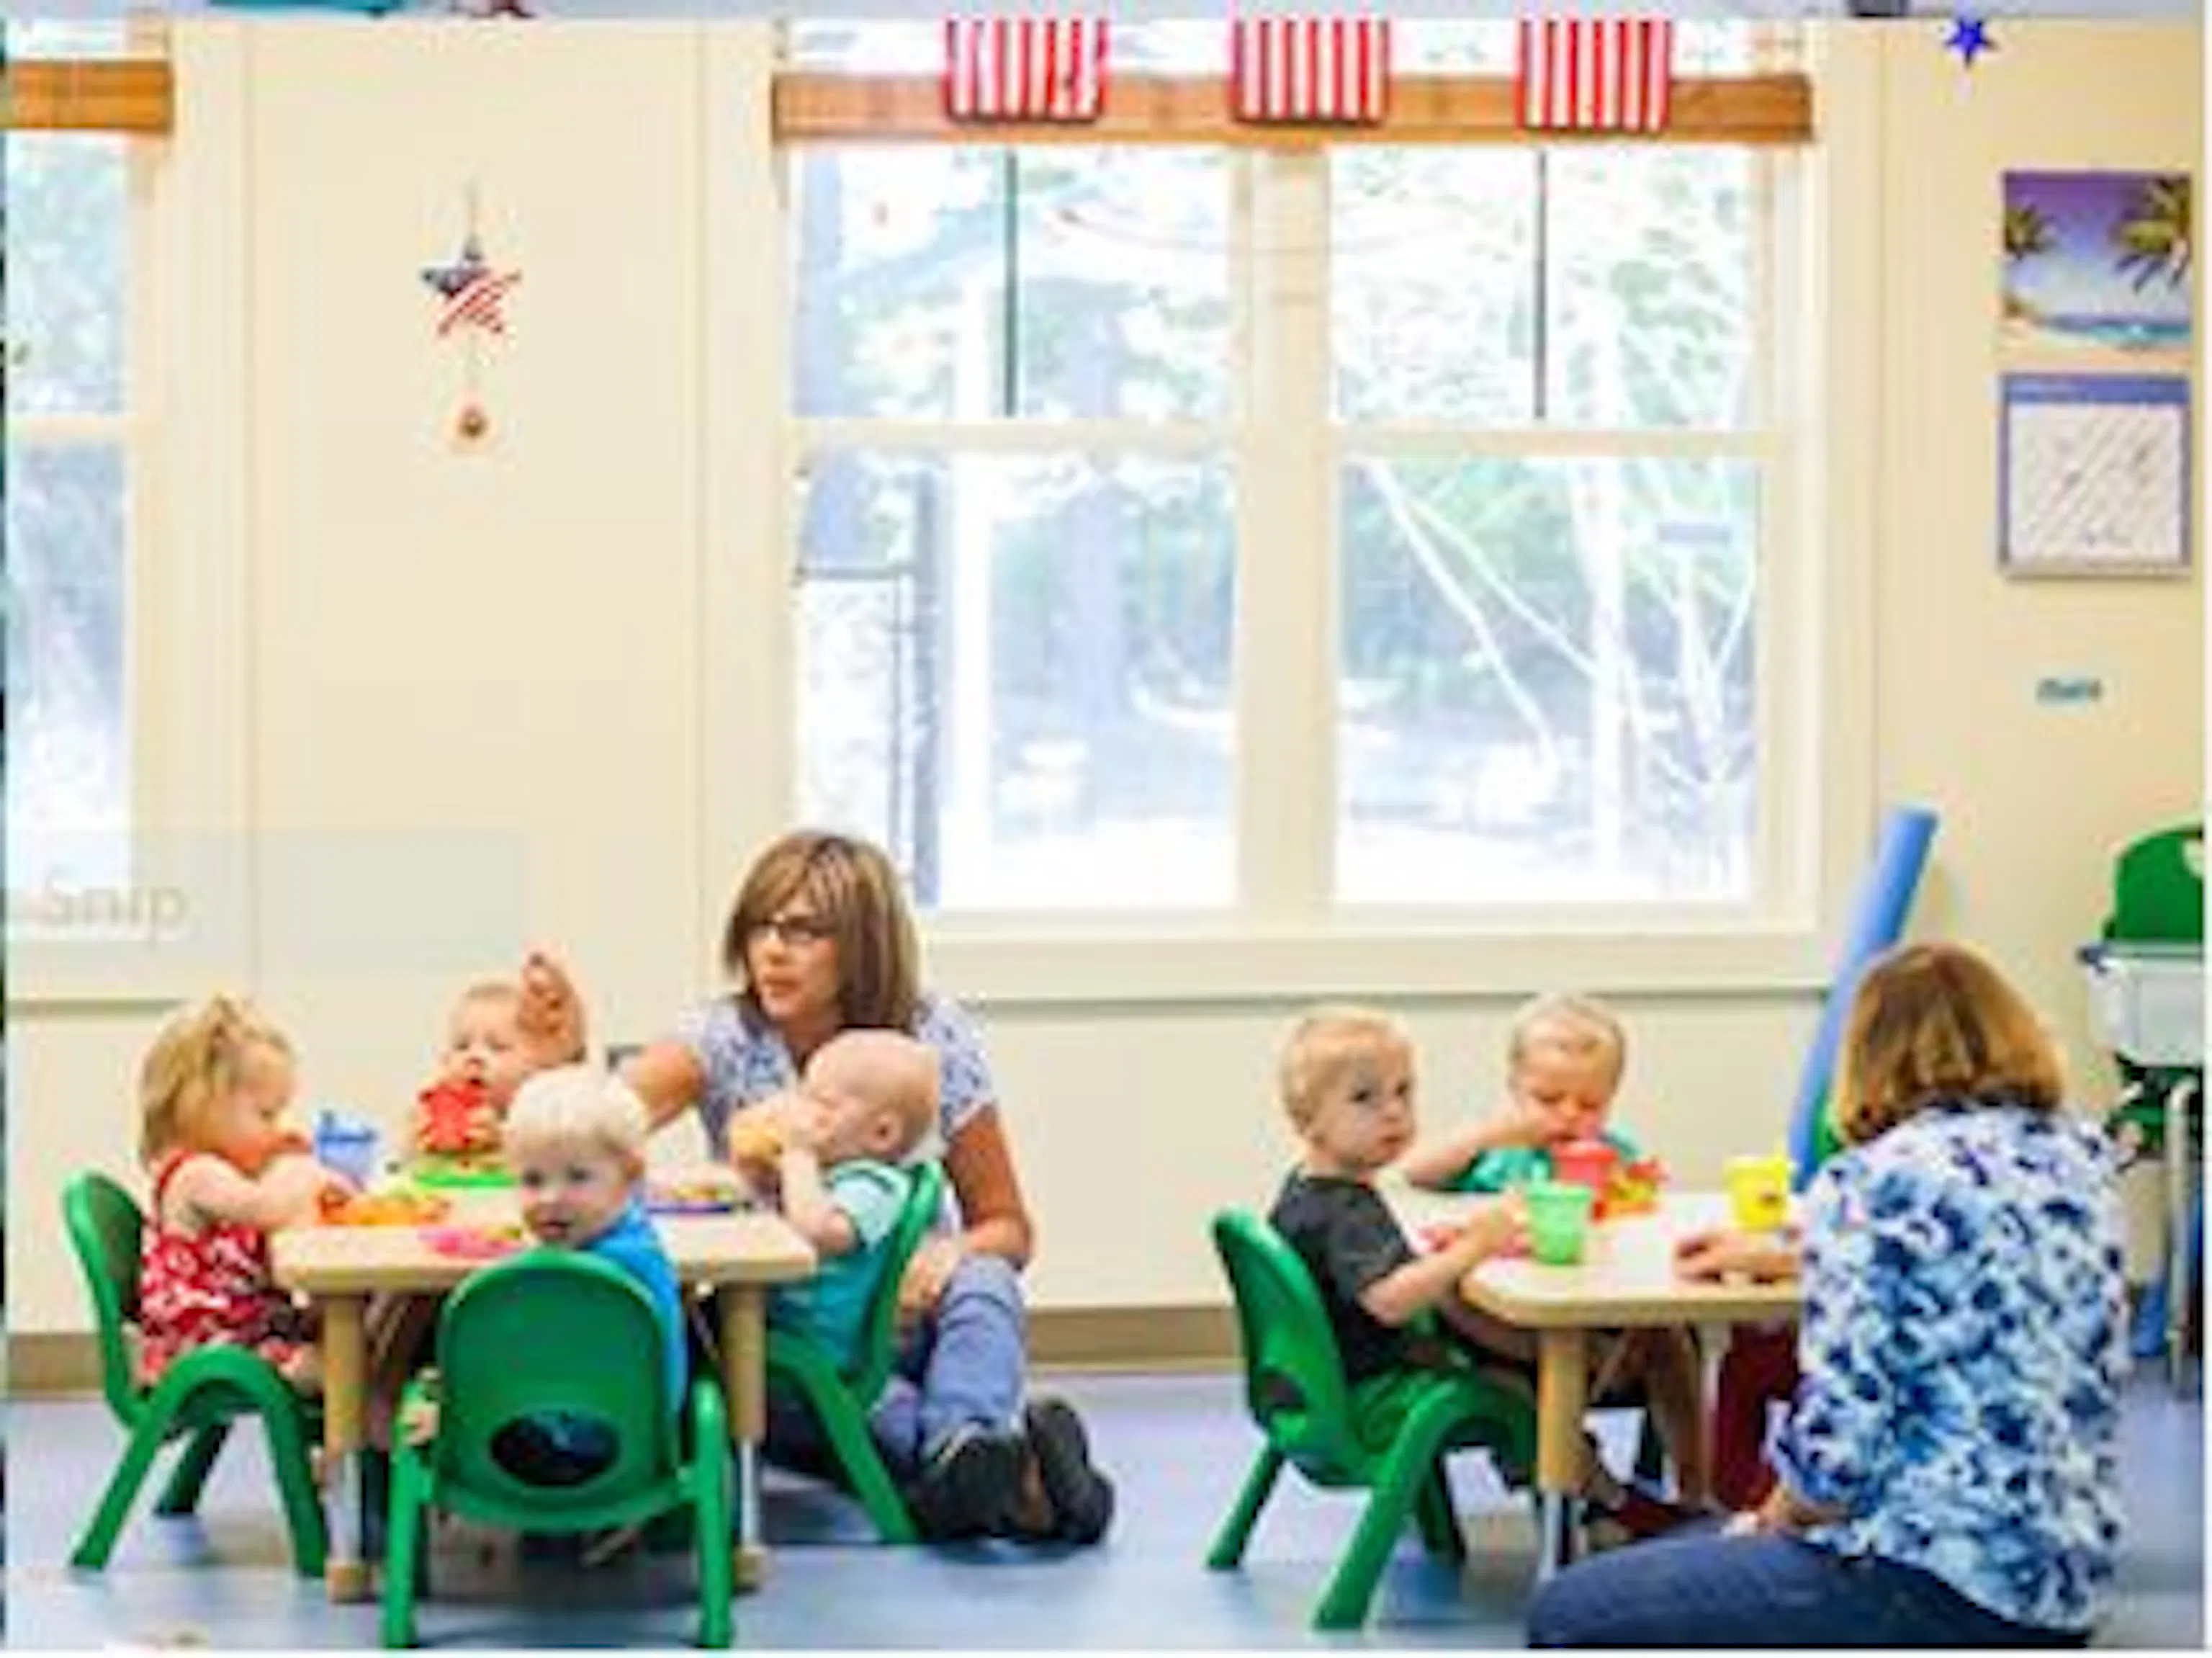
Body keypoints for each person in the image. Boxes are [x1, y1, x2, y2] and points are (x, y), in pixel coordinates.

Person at [1527, 941, 2129, 1648]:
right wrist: (1798, 1252)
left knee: (1568, 1611)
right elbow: (1972, 1271)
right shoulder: (2079, 1160)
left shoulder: (1871, 1180)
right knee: (1694, 1547)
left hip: (1929, 1581)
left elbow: (1838, 1459)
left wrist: (1765, 1523)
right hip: (2060, 1585)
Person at [527, 829, 1115, 1546]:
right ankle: (1018, 1480)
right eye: (760, 927)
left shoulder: (930, 1037)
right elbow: (599, 1125)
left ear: (864, 941)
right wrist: (561, 1059)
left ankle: (969, 1441)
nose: (772, 950)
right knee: (832, 1399)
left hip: (912, 1326)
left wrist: (949, 1256)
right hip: (797, 1333)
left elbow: (1008, 1227)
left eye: (802, 931)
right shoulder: (723, 1035)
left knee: (987, 1280)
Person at [1268, 1005, 1682, 1539]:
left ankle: (1596, 1488)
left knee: (1524, 1362)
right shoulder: (1344, 1211)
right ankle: (1605, 1499)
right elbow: (1391, 1301)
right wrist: (1474, 1248)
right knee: (1528, 1387)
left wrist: (1457, 1250)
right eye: (1365, 1098)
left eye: (1404, 1092)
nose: (1394, 1113)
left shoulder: (1311, 1191)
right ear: (1308, 1120)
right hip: (1378, 1395)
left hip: (1332, 1385)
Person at [1400, 992, 1711, 1510]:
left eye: (1590, 1105)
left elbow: (1645, 1222)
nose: (1568, 1116)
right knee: (1534, 1365)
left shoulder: (1613, 1153)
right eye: (1547, 1099)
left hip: (1596, 1308)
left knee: (1674, 1336)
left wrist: (1635, 1193)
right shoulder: (1497, 1151)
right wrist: (1487, 1135)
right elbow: (1416, 1172)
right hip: (1503, 1325)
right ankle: (1587, 1488)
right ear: (1514, 1088)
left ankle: (1697, 1483)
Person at [401, 1065, 683, 1489]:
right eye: (533, 1180)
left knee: (411, 1398)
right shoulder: (642, 1250)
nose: (552, 1199)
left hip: (557, 1447)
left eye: (578, 1177)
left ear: (631, 1177)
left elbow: (536, 1371)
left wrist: (457, 1411)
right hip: (640, 1447)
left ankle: (381, 1515)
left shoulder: (569, 1277)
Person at [135, 995, 353, 1392]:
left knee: (354, 1334)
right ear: (204, 1105)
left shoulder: (222, 1168)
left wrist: (278, 1160)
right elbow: (271, 1210)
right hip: (211, 1346)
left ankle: (365, 1416)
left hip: (246, 1324)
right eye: (265, 1115)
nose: (276, 1128)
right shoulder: (197, 1174)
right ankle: (366, 1422)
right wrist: (303, 1174)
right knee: (343, 1366)